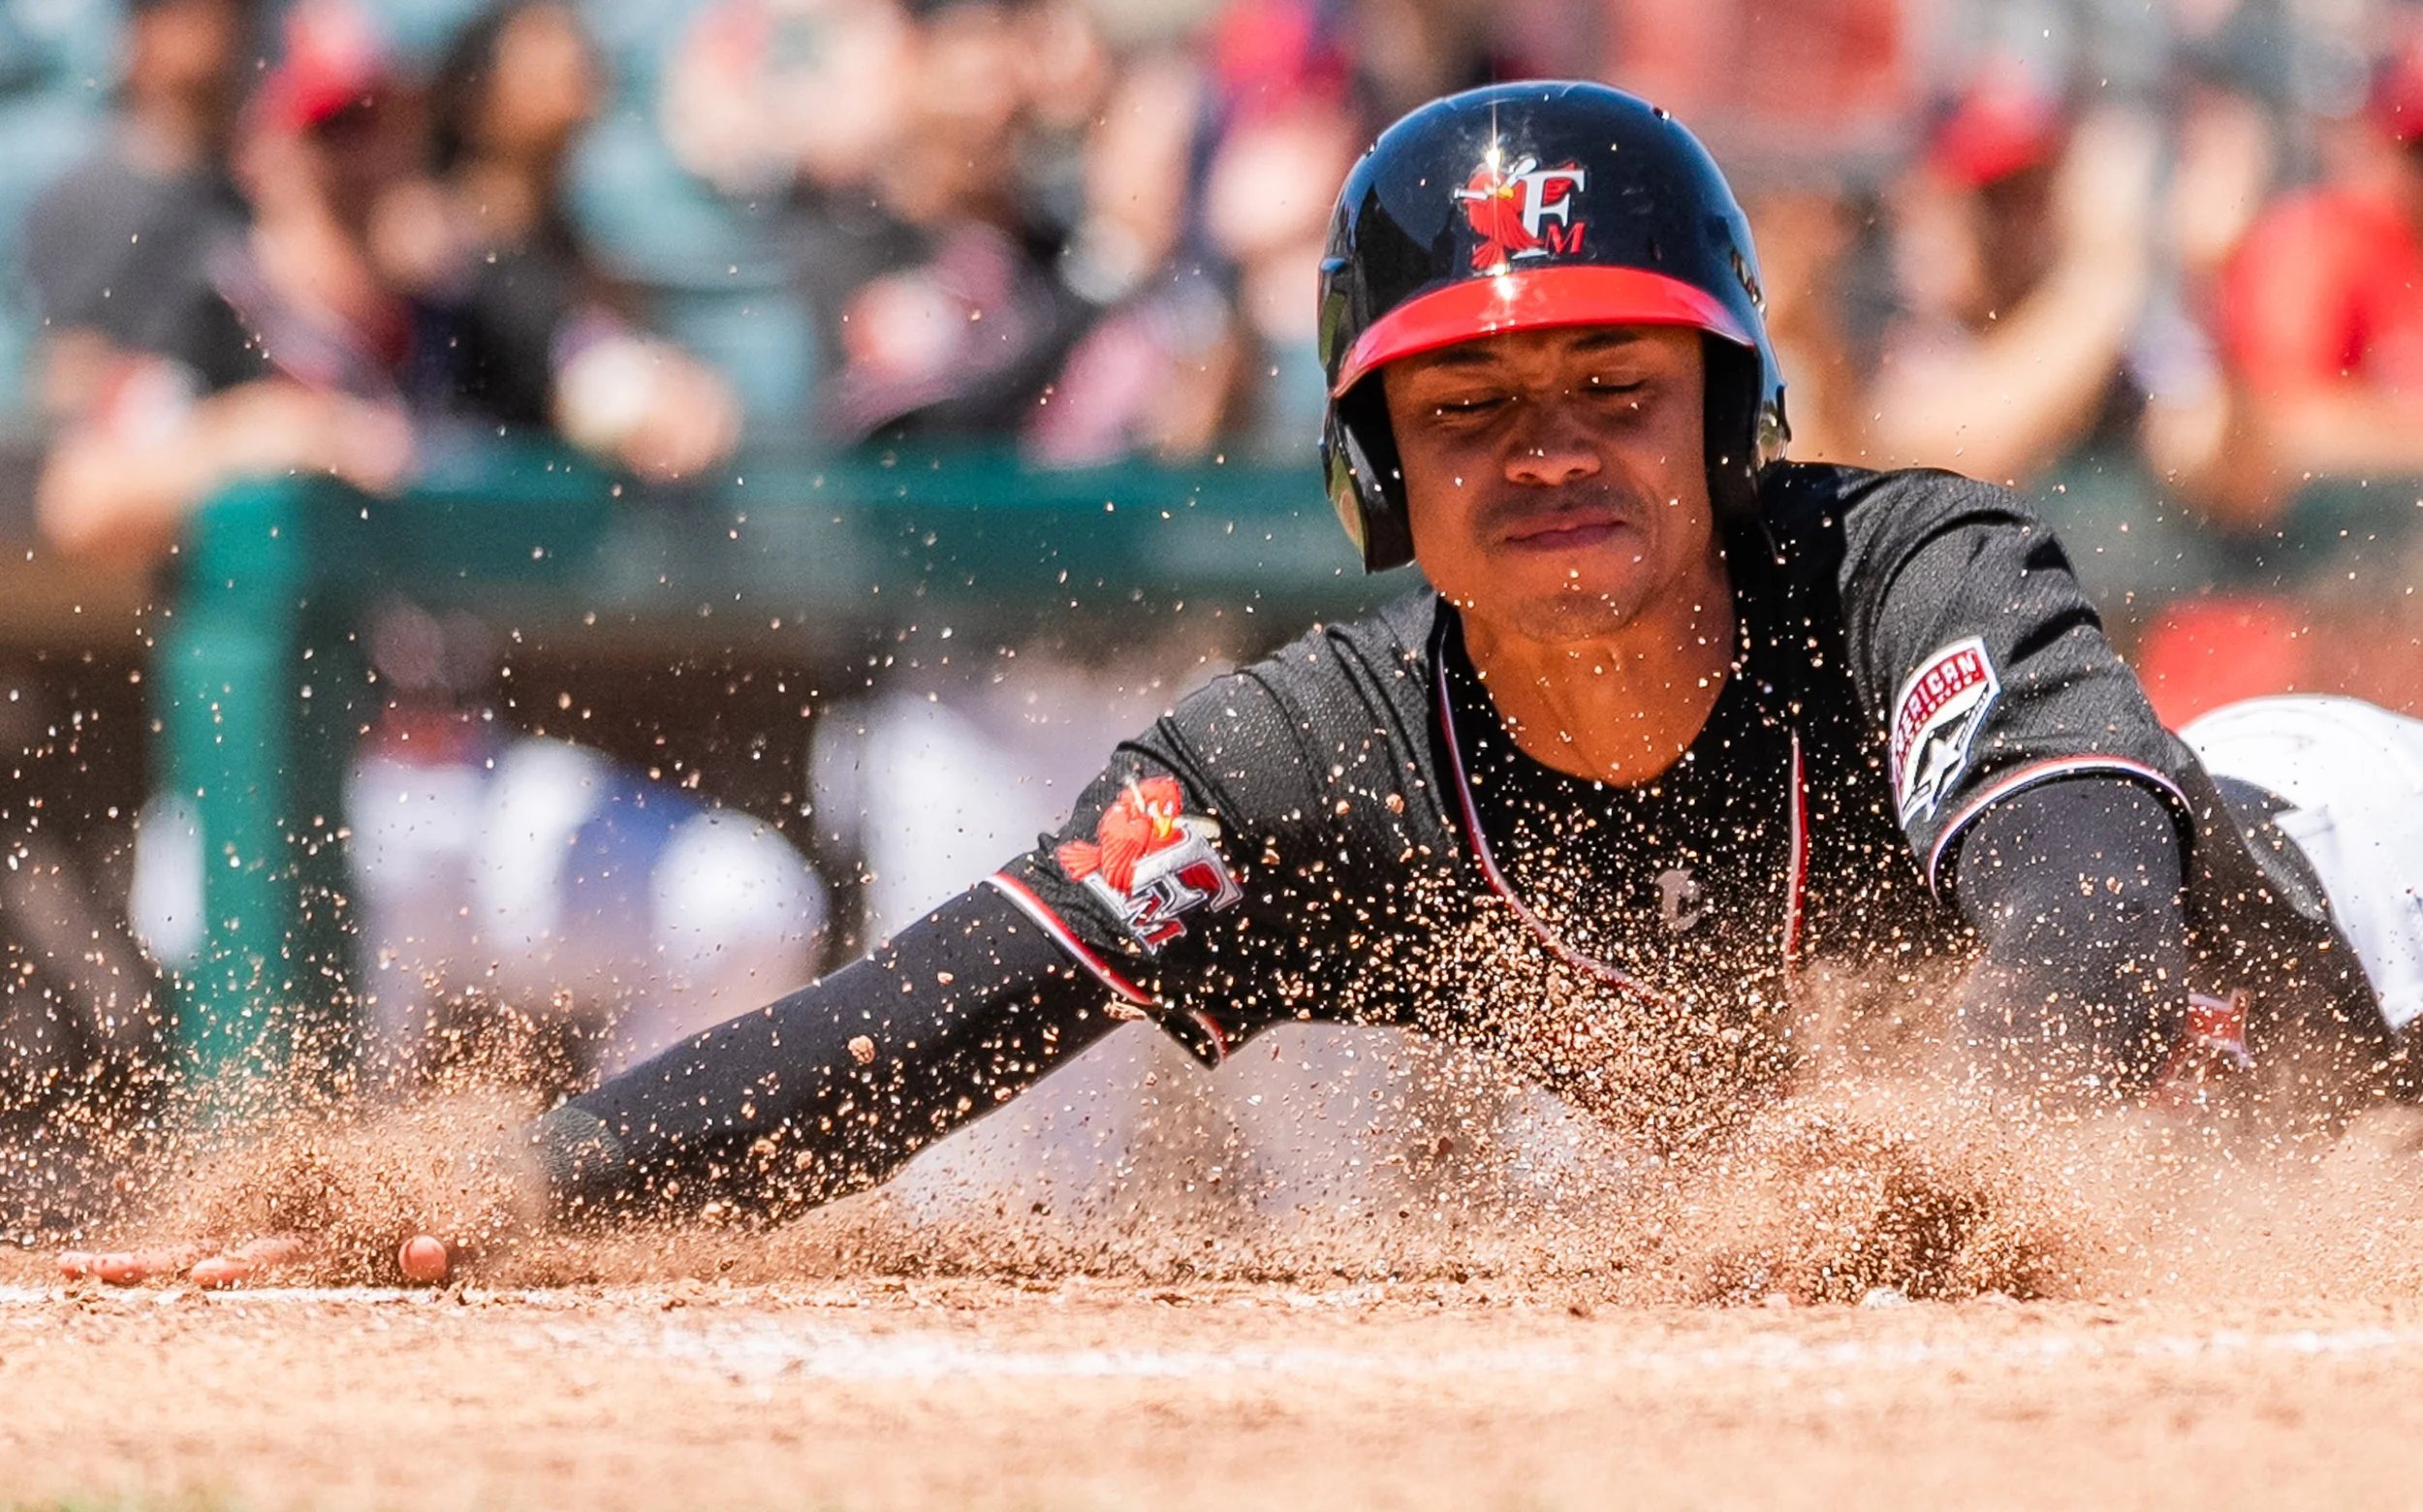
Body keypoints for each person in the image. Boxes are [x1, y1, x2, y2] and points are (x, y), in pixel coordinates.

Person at [66, 80, 2414, 1289]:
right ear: (1374, 473)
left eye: (1614, 385)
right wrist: (484, 1194)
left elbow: (2089, 920)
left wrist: (1930, 1174)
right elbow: (916, 1020)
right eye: (1470, 410)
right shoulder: (1319, 758)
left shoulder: (1911, 566)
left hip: (2359, 914)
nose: (1552, 450)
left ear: (1730, 415)